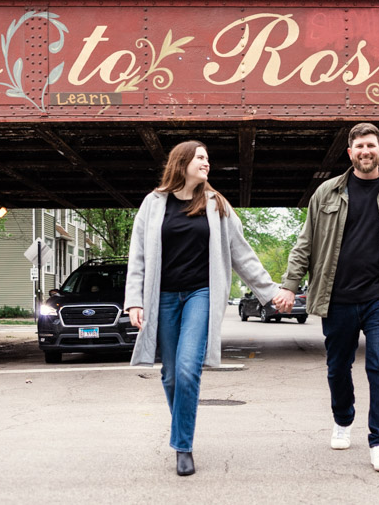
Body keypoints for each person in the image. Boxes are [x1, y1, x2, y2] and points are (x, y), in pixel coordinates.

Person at [124, 140, 293, 476]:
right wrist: (134, 300)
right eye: (200, 158)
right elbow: (138, 255)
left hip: (201, 294)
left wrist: (270, 290)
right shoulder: (153, 203)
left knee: (188, 369)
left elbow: (241, 254)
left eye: (208, 159)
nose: (207, 163)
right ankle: (182, 431)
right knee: (171, 375)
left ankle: (182, 446)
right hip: (164, 297)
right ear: (182, 162)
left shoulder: (217, 205)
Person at [277, 123, 379, 473]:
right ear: (350, 153)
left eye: (371, 145)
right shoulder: (326, 193)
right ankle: (343, 419)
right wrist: (289, 284)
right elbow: (305, 243)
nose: (365, 151)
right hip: (337, 297)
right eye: (359, 146)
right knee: (338, 367)